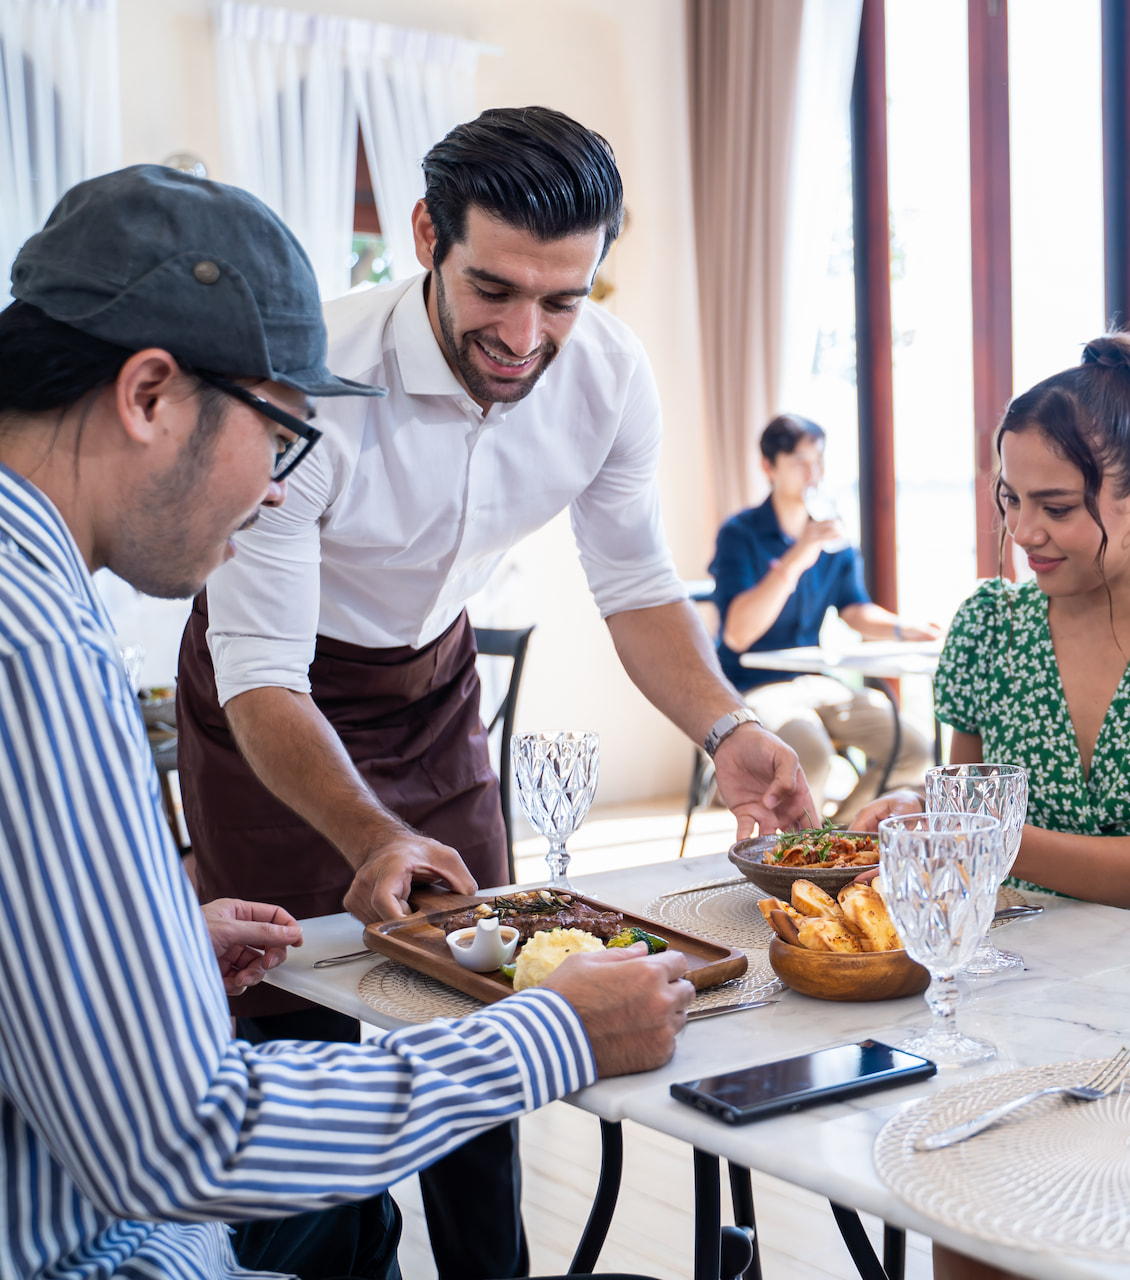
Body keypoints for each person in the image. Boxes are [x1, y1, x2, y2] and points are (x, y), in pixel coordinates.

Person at [0, 164, 689, 1280]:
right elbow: (184, 1136)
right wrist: (550, 1034)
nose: (278, 490)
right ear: (148, 397)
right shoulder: (33, 645)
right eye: (278, 434)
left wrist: (145, 947)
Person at [173, 107, 809, 1277]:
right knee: (292, 1010)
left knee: (489, 997)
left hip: (430, 687)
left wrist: (729, 724)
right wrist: (371, 829)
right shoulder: (316, 383)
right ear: (426, 235)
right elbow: (263, 671)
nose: (526, 335)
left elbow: (633, 581)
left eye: (562, 299)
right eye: (496, 290)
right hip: (269, 703)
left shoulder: (608, 376)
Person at [853, 334, 1130, 923]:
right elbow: (963, 809)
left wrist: (985, 838)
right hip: (1014, 957)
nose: (1024, 531)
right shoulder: (989, 626)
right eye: (1012, 500)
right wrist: (921, 811)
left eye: (1056, 508)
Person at [711, 414, 939, 813]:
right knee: (808, 754)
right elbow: (737, 634)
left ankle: (840, 839)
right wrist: (800, 553)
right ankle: (797, 857)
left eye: (818, 461)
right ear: (769, 467)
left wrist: (905, 628)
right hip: (753, 685)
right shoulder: (740, 534)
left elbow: (854, 609)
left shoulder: (832, 536)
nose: (812, 473)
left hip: (814, 680)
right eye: (799, 461)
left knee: (915, 749)